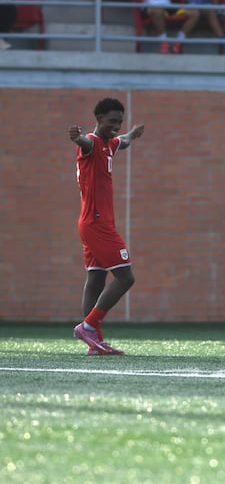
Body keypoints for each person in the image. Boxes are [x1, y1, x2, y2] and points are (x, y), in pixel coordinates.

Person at [70, 98, 145, 356]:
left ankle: (95, 342)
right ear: (99, 118)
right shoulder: (91, 143)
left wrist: (132, 133)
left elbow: (122, 141)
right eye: (111, 121)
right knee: (126, 277)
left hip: (92, 222)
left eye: (119, 122)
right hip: (97, 222)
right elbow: (85, 143)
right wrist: (77, 138)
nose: (116, 126)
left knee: (96, 279)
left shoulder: (111, 144)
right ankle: (88, 325)